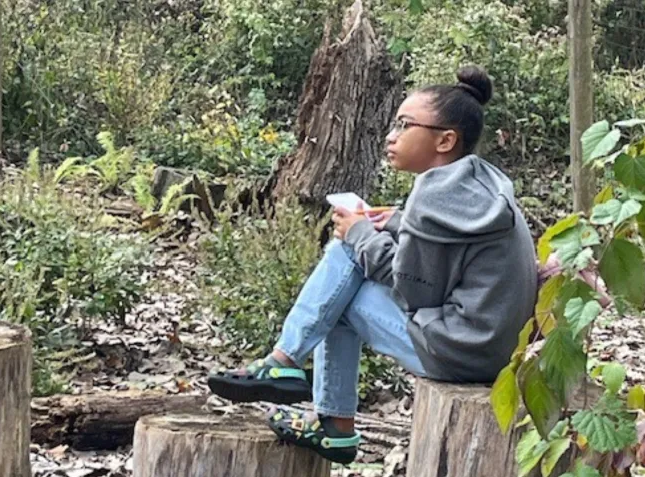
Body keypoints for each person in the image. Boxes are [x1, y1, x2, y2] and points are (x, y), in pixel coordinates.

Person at [208, 65, 538, 465]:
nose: (390, 136)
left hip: (462, 354)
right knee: (348, 267)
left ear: (446, 140)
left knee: (343, 280)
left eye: (404, 125)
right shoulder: (481, 181)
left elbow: (414, 289)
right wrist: (397, 222)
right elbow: (449, 260)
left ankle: (298, 379)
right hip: (494, 347)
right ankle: (298, 381)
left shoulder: (432, 194)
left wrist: (360, 233)